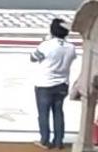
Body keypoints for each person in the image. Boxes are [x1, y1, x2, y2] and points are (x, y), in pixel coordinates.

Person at [31, 18, 77, 150]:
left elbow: (33, 58)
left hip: (45, 84)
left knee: (43, 113)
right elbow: (72, 57)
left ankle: (45, 140)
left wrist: (44, 42)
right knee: (58, 113)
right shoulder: (71, 47)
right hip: (62, 84)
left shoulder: (47, 45)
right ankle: (58, 141)